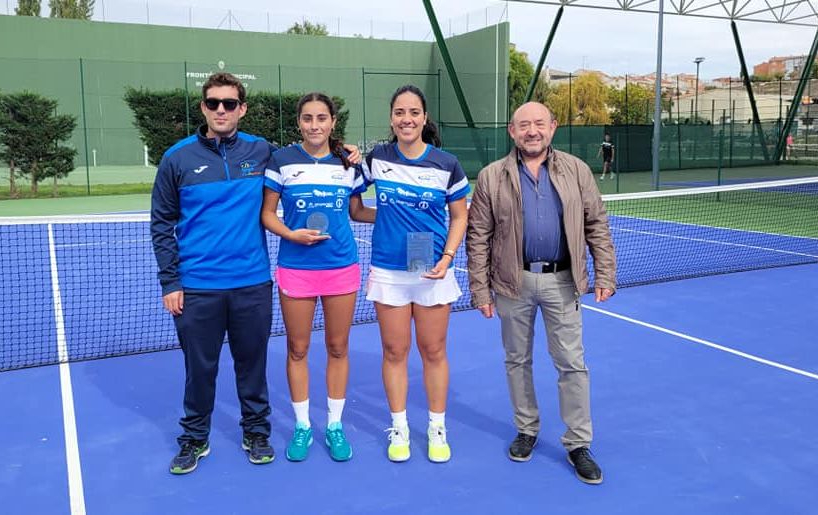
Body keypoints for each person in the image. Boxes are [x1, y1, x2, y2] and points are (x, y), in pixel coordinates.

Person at [151, 73, 362, 474]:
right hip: (197, 286)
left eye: (229, 104)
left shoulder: (262, 152)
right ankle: (194, 438)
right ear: (203, 107)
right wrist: (170, 281)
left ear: (241, 109)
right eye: (213, 103)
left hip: (252, 281)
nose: (220, 110)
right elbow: (161, 223)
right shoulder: (177, 158)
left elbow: (313, 153)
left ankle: (256, 432)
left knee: (252, 364)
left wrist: (345, 151)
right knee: (201, 368)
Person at [466, 102, 616, 485]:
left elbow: (596, 222)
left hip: (563, 282)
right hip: (511, 283)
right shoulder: (490, 177)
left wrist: (605, 273)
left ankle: (578, 443)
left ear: (553, 127)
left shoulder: (577, 171)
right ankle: (527, 429)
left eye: (539, 124)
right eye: (523, 125)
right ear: (511, 131)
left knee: (571, 363)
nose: (532, 131)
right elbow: (478, 237)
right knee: (517, 360)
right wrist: (480, 290)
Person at [261, 92, 374, 463]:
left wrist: (401, 215)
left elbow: (357, 210)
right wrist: (290, 234)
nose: (315, 125)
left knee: (338, 348)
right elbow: (268, 214)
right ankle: (303, 426)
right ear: (299, 123)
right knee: (298, 349)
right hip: (296, 269)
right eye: (308, 118)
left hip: (342, 268)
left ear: (332, 123)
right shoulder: (282, 161)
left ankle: (335, 425)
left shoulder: (349, 163)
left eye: (321, 118)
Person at [363, 85, 469, 463]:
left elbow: (460, 215)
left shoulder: (446, 163)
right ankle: (401, 427)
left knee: (434, 350)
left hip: (431, 272)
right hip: (389, 272)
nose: (406, 119)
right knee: (394, 351)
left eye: (413, 112)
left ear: (424, 118)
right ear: (391, 118)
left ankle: (437, 428)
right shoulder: (376, 159)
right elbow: (352, 200)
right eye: (399, 113)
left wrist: (448, 255)